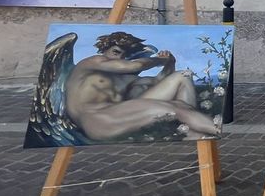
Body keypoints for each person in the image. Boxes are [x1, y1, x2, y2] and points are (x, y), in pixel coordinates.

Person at [64, 31, 220, 140]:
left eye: (125, 55)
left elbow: (158, 82)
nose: (120, 58)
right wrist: (159, 60)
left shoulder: (125, 77)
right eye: (116, 52)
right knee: (174, 109)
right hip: (98, 120)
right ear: (105, 49)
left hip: (121, 113)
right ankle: (215, 129)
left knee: (183, 76)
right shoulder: (92, 63)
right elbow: (135, 66)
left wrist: (170, 63)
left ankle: (190, 130)